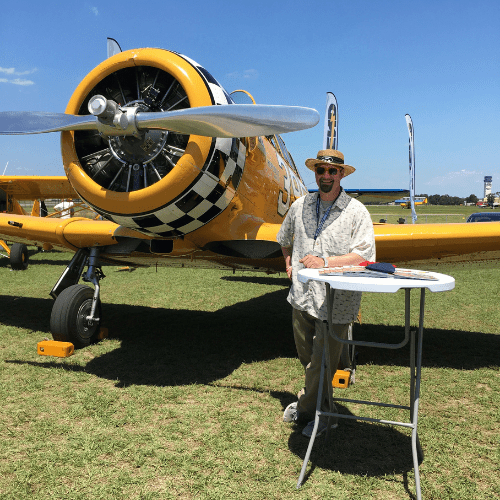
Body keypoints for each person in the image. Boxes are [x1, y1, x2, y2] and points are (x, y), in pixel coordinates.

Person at [276, 149, 375, 437]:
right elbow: (283, 238)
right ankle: (321, 406)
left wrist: (326, 262)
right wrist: (288, 263)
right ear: (315, 173)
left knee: (323, 362)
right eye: (321, 171)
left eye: (333, 171)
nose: (326, 176)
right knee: (310, 361)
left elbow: (363, 255)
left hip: (338, 301)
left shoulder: (356, 211)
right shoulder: (300, 205)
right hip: (302, 297)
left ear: (342, 174)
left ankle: (314, 412)